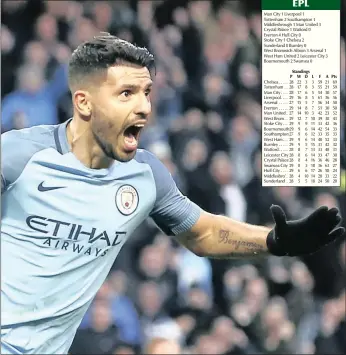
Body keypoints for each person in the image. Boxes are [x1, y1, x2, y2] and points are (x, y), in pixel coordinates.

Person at [1, 33, 344, 355]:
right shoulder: (19, 155)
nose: (144, 108)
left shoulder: (144, 176)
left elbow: (203, 233)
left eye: (146, 93)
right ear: (84, 103)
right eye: (126, 94)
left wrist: (272, 242)